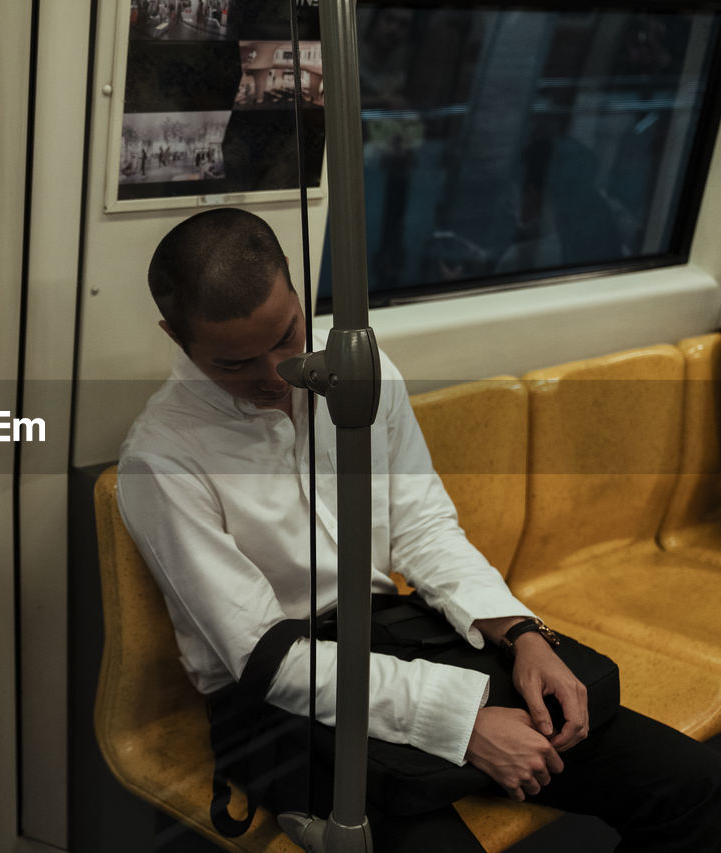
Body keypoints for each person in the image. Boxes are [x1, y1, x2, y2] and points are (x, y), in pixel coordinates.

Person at [117, 208, 721, 852]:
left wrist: (520, 633)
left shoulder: (360, 373)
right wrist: (461, 723)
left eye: (288, 337)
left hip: (391, 637)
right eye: (235, 364)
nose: (275, 376)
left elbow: (423, 526)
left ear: (297, 293)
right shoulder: (162, 459)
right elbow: (268, 657)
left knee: (693, 787)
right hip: (275, 701)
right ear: (175, 336)